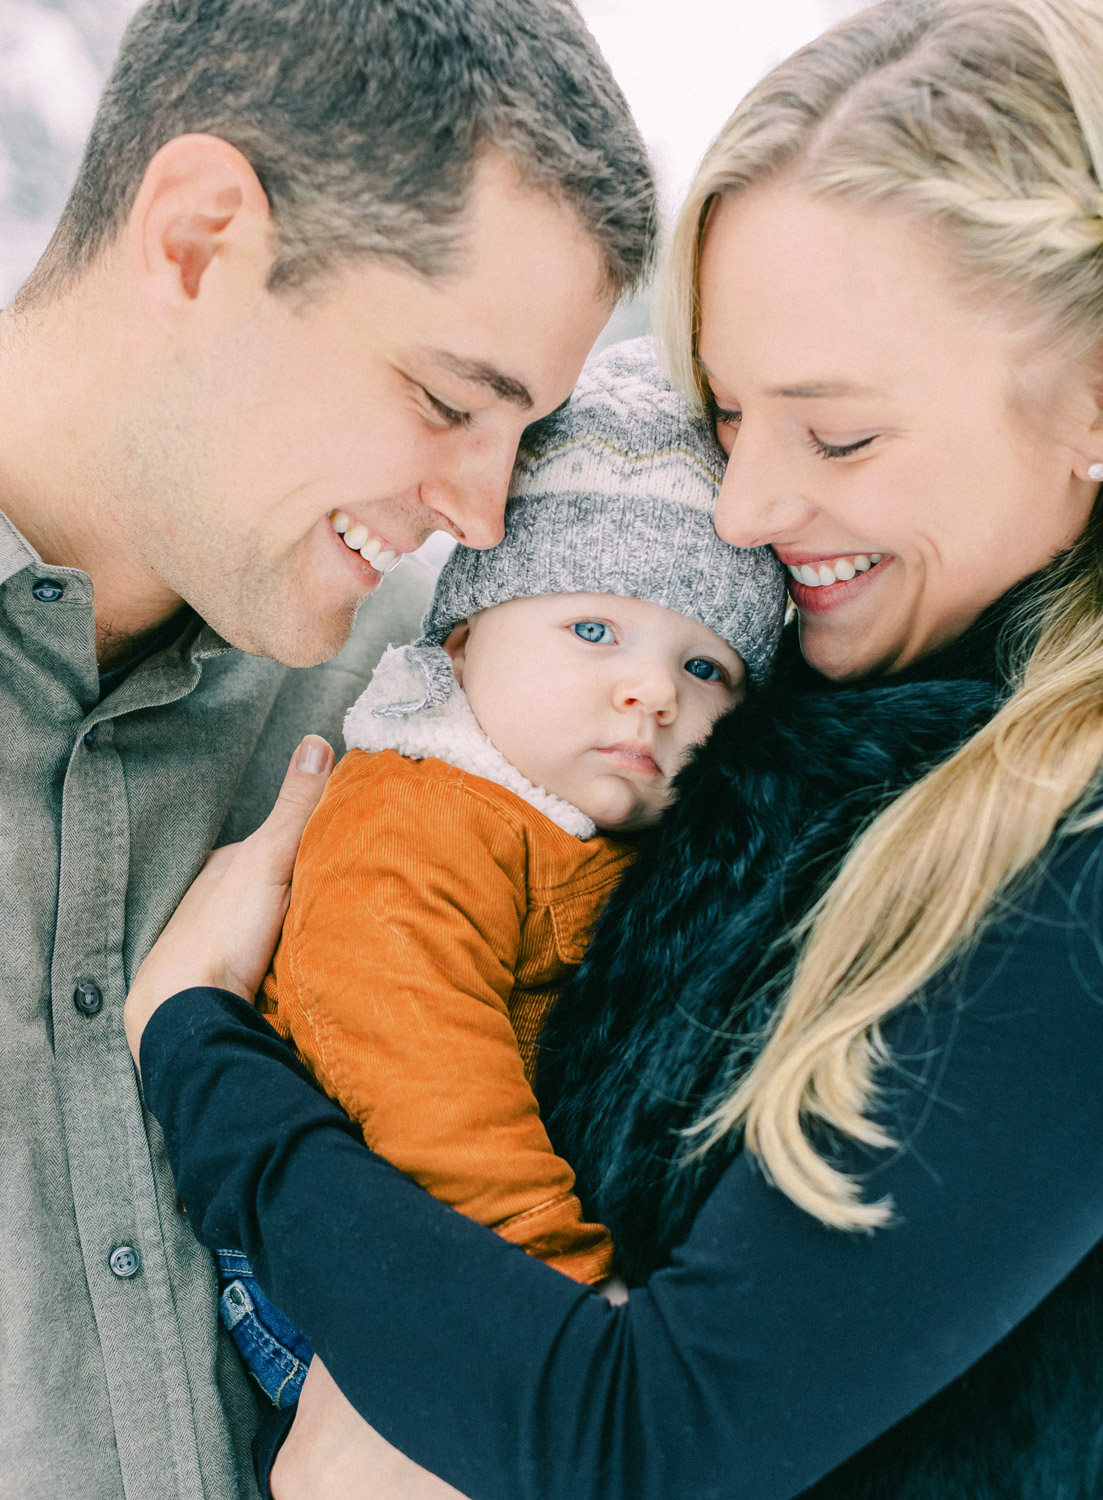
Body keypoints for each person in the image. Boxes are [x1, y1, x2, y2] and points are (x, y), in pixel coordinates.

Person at [123, 0, 1103, 1495]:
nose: (742, 509)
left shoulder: (1070, 879)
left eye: (834, 437)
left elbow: (652, 1435)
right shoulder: (783, 727)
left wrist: (199, 1055)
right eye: (726, 418)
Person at [0, 0, 656, 1495]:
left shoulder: (447, 723)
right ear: (198, 240)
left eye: (523, 434)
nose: (487, 514)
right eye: (444, 402)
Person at [218, 339, 784, 1407]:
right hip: (361, 1292)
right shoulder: (419, 812)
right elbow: (407, 1056)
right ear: (466, 637)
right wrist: (556, 1279)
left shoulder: (597, 824)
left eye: (703, 666)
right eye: (591, 629)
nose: (650, 694)